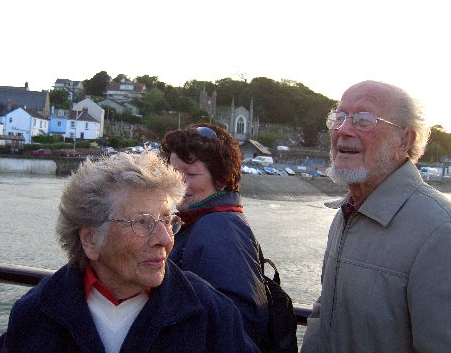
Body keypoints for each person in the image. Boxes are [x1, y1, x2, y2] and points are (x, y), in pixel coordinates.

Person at [0, 152, 260, 353]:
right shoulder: (36, 314)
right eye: (142, 222)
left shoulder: (210, 314)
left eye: (168, 220)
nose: (165, 239)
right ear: (90, 239)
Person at [301, 80, 451, 353]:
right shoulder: (347, 213)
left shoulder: (439, 231)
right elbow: (325, 313)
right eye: (340, 117)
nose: (343, 129)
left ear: (405, 140)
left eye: (363, 119)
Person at [160, 123, 269, 348]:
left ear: (221, 179)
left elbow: (241, 326)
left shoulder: (220, 230)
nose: (178, 184)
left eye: (190, 174)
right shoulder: (199, 221)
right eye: (172, 173)